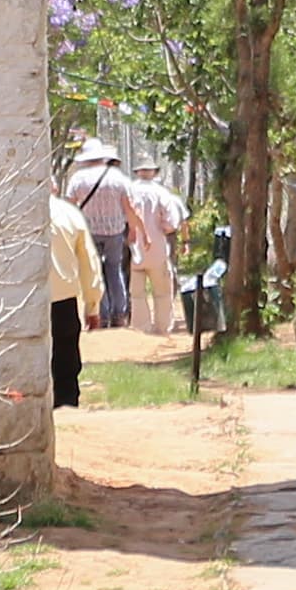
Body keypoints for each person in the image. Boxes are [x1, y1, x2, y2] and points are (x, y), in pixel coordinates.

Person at [66, 139, 136, 329]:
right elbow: (128, 206)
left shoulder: (78, 178)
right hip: (115, 230)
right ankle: (119, 313)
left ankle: (101, 313)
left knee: (95, 271)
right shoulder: (118, 177)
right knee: (115, 270)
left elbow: (70, 206)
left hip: (88, 231)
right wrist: (134, 229)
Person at [125, 159, 191, 338]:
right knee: (162, 291)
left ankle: (141, 328)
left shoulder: (129, 191)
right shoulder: (163, 194)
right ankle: (163, 328)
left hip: (134, 248)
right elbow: (170, 223)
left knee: (137, 293)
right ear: (154, 172)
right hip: (158, 248)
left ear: (137, 171)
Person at [47, 184, 98, 409]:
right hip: (63, 301)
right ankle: (65, 406)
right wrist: (92, 305)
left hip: (21, 302)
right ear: (54, 188)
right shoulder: (68, 214)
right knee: (65, 360)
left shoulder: (12, 212)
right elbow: (89, 263)